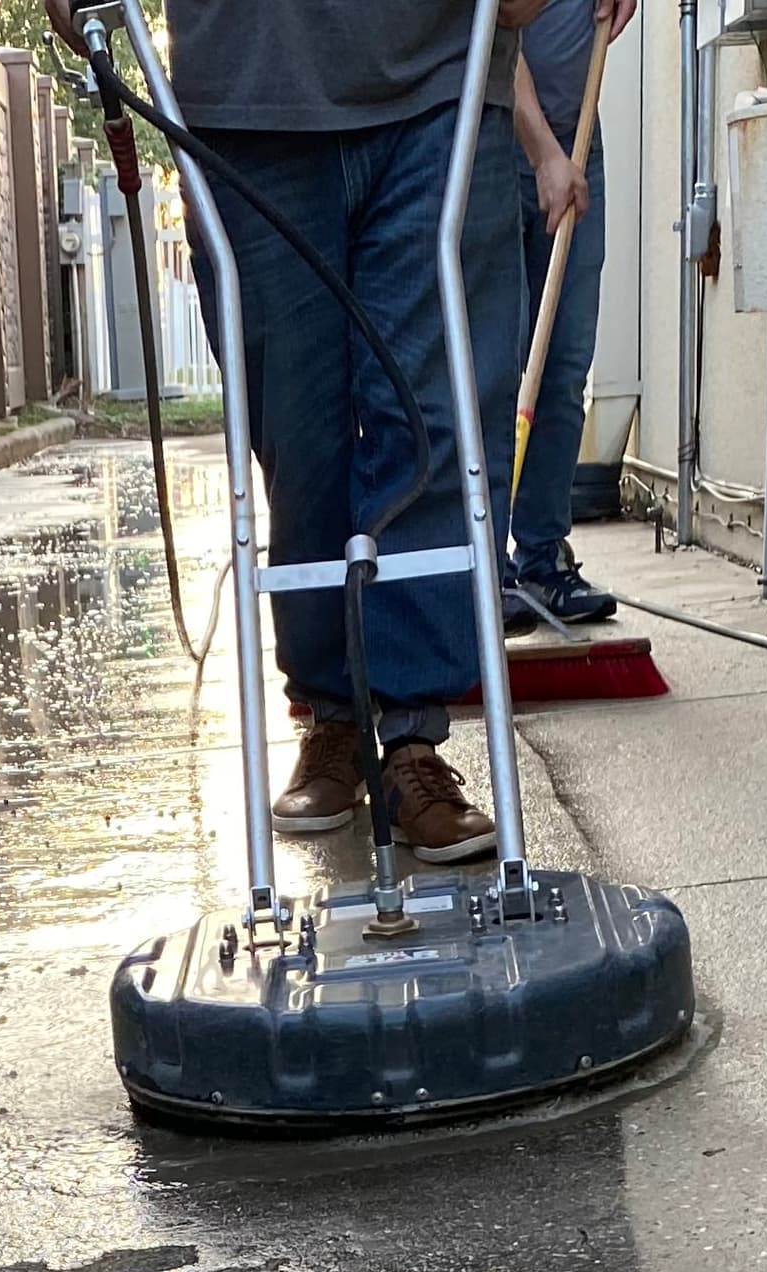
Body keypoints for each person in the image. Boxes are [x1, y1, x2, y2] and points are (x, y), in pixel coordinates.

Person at [103, 0, 555, 866]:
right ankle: (331, 717)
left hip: (438, 72)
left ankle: (414, 739)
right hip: (249, 91)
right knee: (297, 435)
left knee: (431, 420)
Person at [503, 0, 634, 629]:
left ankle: (542, 558)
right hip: (491, 141)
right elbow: (488, 32)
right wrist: (543, 155)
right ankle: (480, 563)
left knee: (564, 365)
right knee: (494, 366)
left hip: (581, 140)